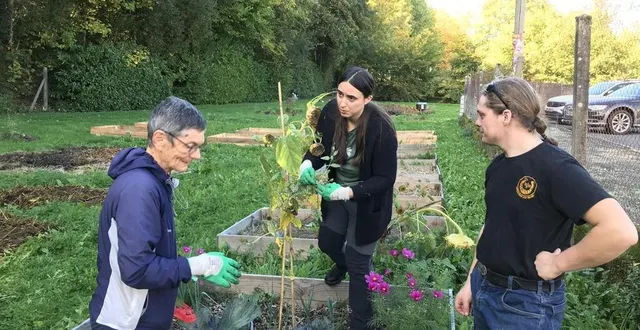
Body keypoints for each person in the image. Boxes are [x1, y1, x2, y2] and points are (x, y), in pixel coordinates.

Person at [454, 77, 638, 329]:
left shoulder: (556, 169)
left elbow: (621, 231)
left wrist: (559, 263)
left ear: (506, 116)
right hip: (485, 288)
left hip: (525, 306)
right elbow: (493, 224)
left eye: (482, 114)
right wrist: (470, 280)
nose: (477, 122)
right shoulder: (499, 166)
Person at [89, 96, 242, 330]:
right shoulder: (139, 190)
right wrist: (197, 266)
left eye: (199, 147)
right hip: (126, 322)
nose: (197, 155)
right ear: (160, 139)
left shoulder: (156, 180)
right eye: (190, 146)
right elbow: (136, 271)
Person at [298, 66, 398, 330]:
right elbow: (316, 147)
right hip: (335, 195)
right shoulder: (331, 113)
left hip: (366, 204)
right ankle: (344, 264)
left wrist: (350, 191)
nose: (342, 103)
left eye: (351, 98)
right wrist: (307, 164)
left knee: (358, 264)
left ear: (368, 99)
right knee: (327, 243)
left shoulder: (381, 128)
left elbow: (385, 178)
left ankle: (360, 321)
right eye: (340, 94)